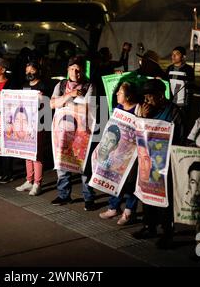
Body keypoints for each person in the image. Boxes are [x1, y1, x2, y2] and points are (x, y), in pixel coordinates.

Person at [132, 79, 184, 249]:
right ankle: (149, 226)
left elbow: (179, 136)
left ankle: (167, 232)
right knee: (147, 194)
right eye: (145, 97)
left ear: (161, 96)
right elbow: (137, 132)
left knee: (165, 199)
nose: (146, 101)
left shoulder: (173, 111)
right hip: (147, 160)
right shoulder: (145, 110)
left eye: (150, 97)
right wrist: (144, 118)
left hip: (165, 163)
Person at [50, 55, 96, 211]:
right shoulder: (61, 85)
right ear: (67, 70)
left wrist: (64, 105)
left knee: (83, 165)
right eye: (72, 68)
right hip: (61, 131)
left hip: (81, 132)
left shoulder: (89, 86)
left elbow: (88, 108)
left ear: (82, 71)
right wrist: (69, 96)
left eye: (78, 69)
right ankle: (64, 195)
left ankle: (88, 197)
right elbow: (51, 103)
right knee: (62, 164)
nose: (75, 72)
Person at [99, 82, 140, 225]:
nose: (117, 94)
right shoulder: (118, 108)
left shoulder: (138, 109)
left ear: (128, 96)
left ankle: (129, 212)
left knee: (131, 182)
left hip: (132, 154)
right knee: (114, 178)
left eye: (120, 92)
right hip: (117, 152)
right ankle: (113, 207)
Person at [15, 61, 48, 196]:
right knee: (26, 153)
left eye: (32, 70)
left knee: (37, 155)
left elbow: (47, 104)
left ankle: (37, 183)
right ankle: (29, 180)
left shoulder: (43, 85)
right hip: (25, 124)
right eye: (27, 70)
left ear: (37, 71)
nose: (29, 73)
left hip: (39, 124)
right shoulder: (24, 86)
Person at [165, 46, 195, 115]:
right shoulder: (169, 68)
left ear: (183, 57)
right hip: (170, 103)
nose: (173, 56)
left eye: (177, 54)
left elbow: (190, 88)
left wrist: (187, 105)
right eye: (172, 54)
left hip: (182, 105)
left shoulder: (188, 69)